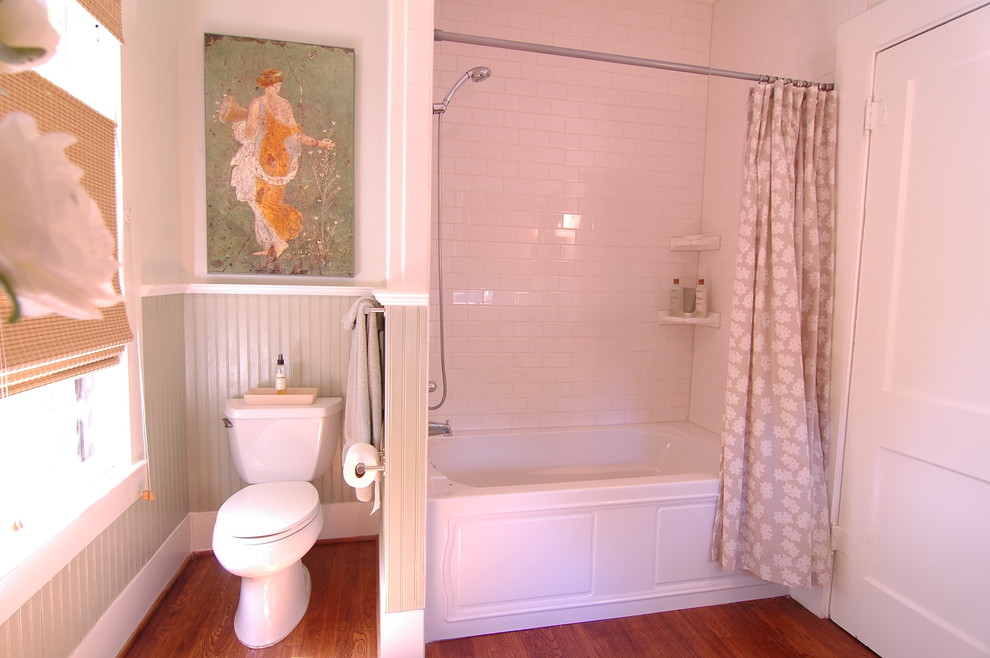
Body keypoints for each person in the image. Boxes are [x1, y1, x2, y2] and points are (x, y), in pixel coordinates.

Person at [220, 68, 334, 259]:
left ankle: (279, 241)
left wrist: (237, 126)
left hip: (263, 157)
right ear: (275, 84)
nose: (278, 86)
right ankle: (271, 245)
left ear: (264, 84)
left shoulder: (258, 103)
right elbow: (295, 135)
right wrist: (319, 143)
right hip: (281, 160)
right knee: (270, 201)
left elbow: (249, 135)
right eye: (277, 83)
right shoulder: (285, 105)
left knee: (257, 199)